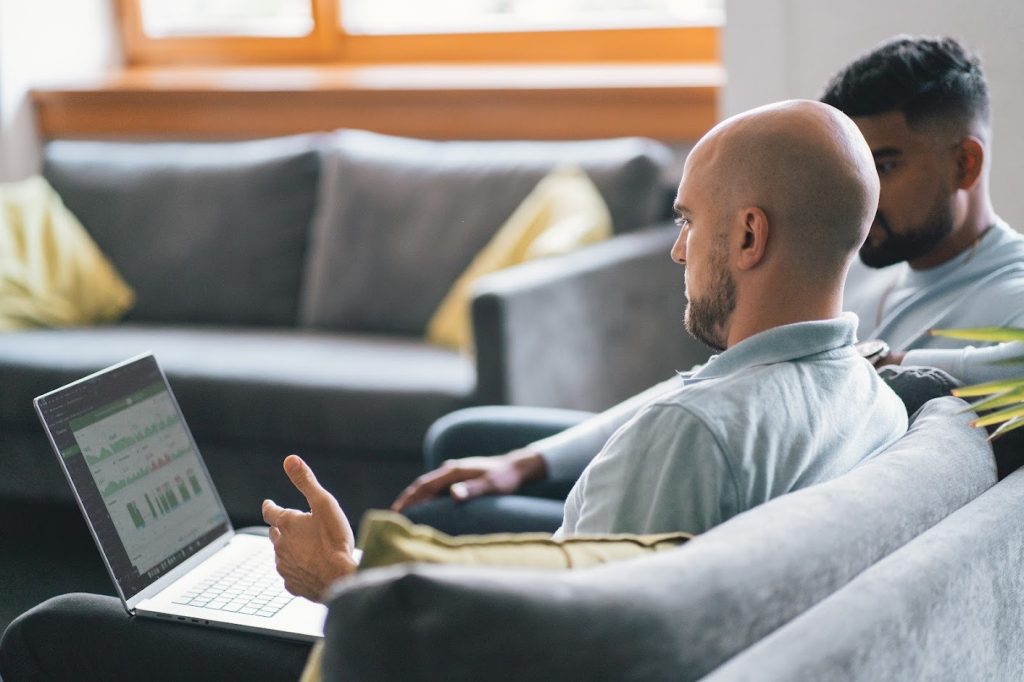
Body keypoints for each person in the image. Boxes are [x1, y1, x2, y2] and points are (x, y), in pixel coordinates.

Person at [0, 99, 907, 680]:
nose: (676, 249)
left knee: (54, 628)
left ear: (747, 237)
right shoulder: (870, 396)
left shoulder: (688, 436)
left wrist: (342, 583)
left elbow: (540, 655)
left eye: (688, 222)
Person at [391, 34, 1024, 519]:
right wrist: (530, 463)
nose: (863, 193)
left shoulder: (1008, 297)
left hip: (770, 483)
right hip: (758, 448)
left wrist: (896, 358)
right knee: (468, 437)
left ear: (965, 163)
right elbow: (723, 380)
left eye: (883, 165)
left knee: (447, 513)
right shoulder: (861, 267)